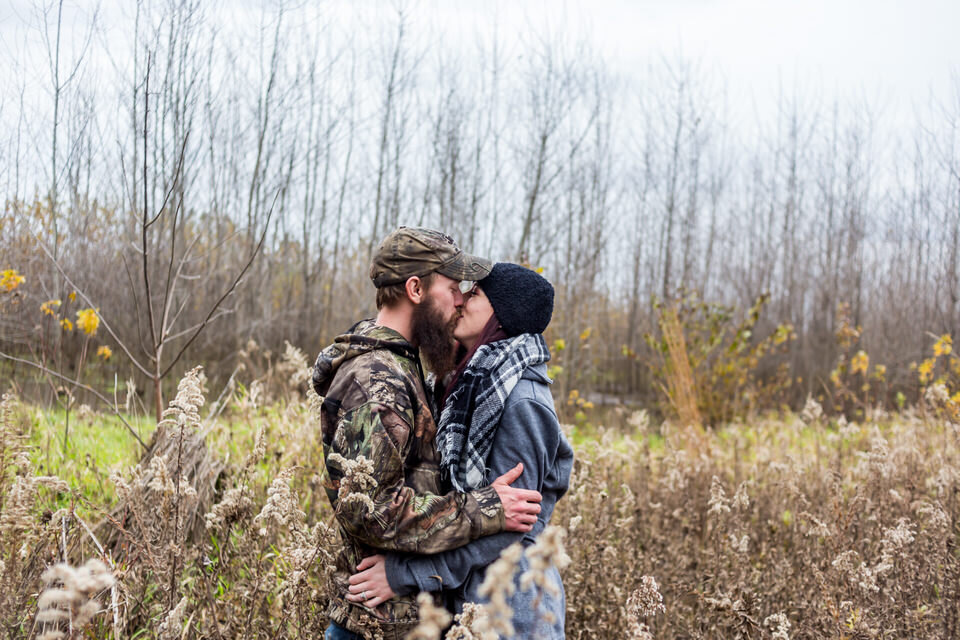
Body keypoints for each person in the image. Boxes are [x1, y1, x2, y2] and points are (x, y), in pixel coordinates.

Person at [312, 229, 544, 640]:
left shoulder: (406, 367)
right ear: (415, 289)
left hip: (403, 621)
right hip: (376, 626)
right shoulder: (375, 380)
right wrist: (486, 508)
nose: (460, 299)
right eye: (453, 287)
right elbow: (372, 510)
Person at [346, 263, 574, 639]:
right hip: (465, 604)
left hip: (508, 611)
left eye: (476, 293)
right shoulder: (461, 384)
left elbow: (511, 525)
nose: (461, 301)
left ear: (502, 313)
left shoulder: (522, 401)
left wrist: (404, 574)